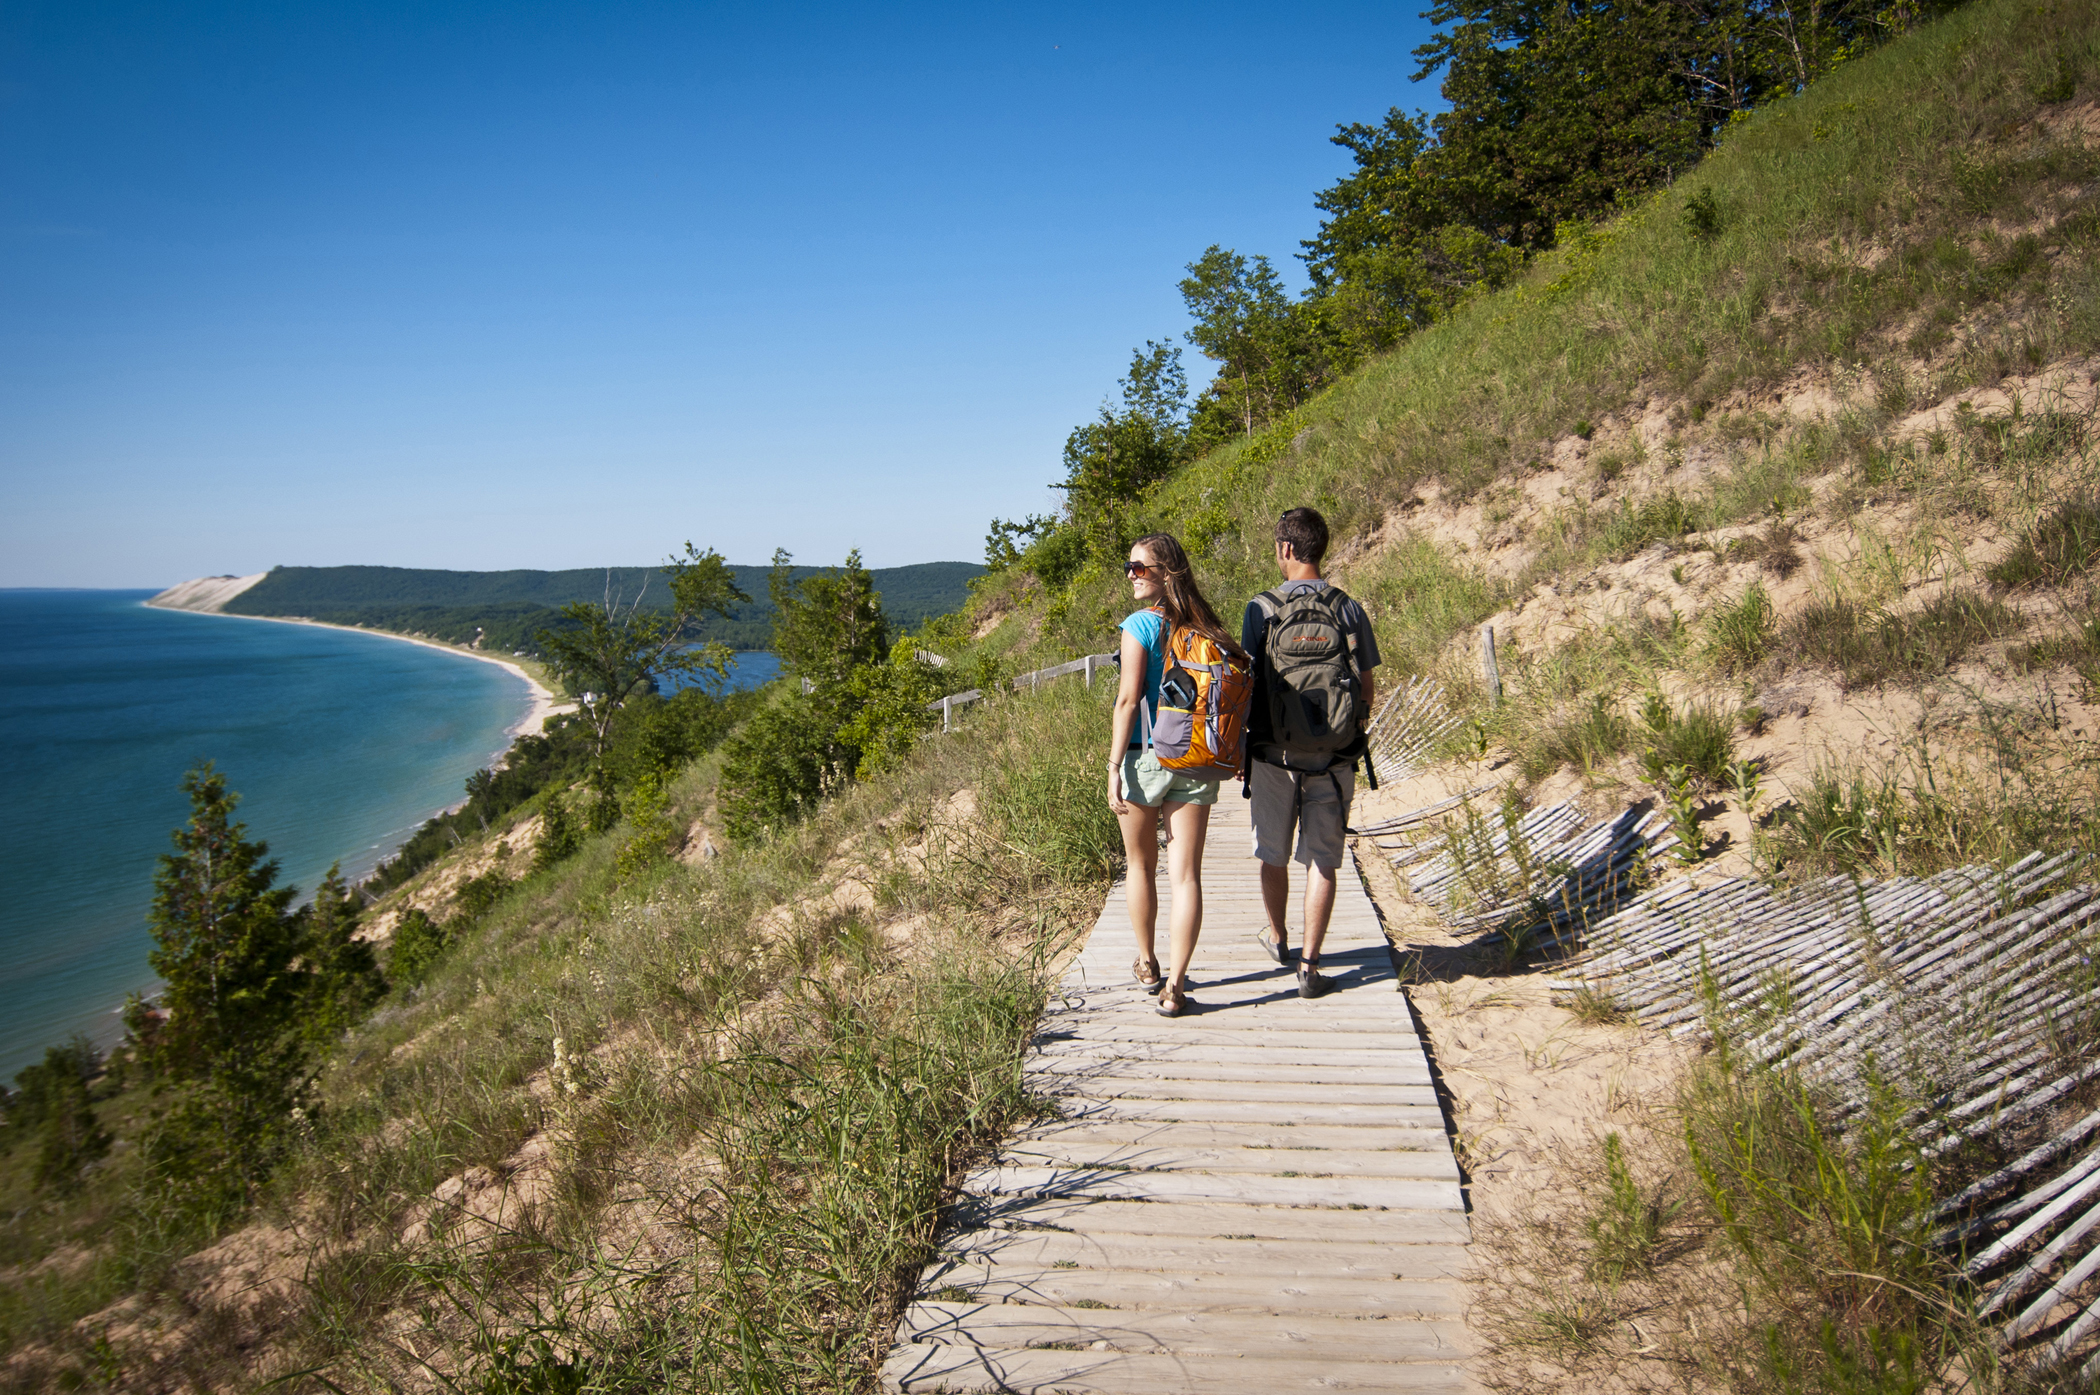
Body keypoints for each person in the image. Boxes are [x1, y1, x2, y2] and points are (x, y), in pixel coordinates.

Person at [1108, 532, 1250, 1018]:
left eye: (1139, 568)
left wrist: (1112, 767)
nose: (1131, 575)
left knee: (1141, 866)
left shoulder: (1138, 626)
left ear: (1166, 572)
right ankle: (1176, 984)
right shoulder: (1206, 627)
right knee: (1186, 875)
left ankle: (1147, 962)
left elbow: (1128, 700)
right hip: (1195, 757)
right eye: (1129, 567)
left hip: (1145, 755)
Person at [1242, 507, 1380, 999]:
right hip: (1335, 756)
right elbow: (1366, 685)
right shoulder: (1348, 609)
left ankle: (1278, 939)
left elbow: (1249, 684)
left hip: (1273, 755)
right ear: (1318, 548)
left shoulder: (1260, 609)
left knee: (1272, 854)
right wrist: (1346, 729)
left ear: (1285, 548)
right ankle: (1310, 965)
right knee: (1323, 858)